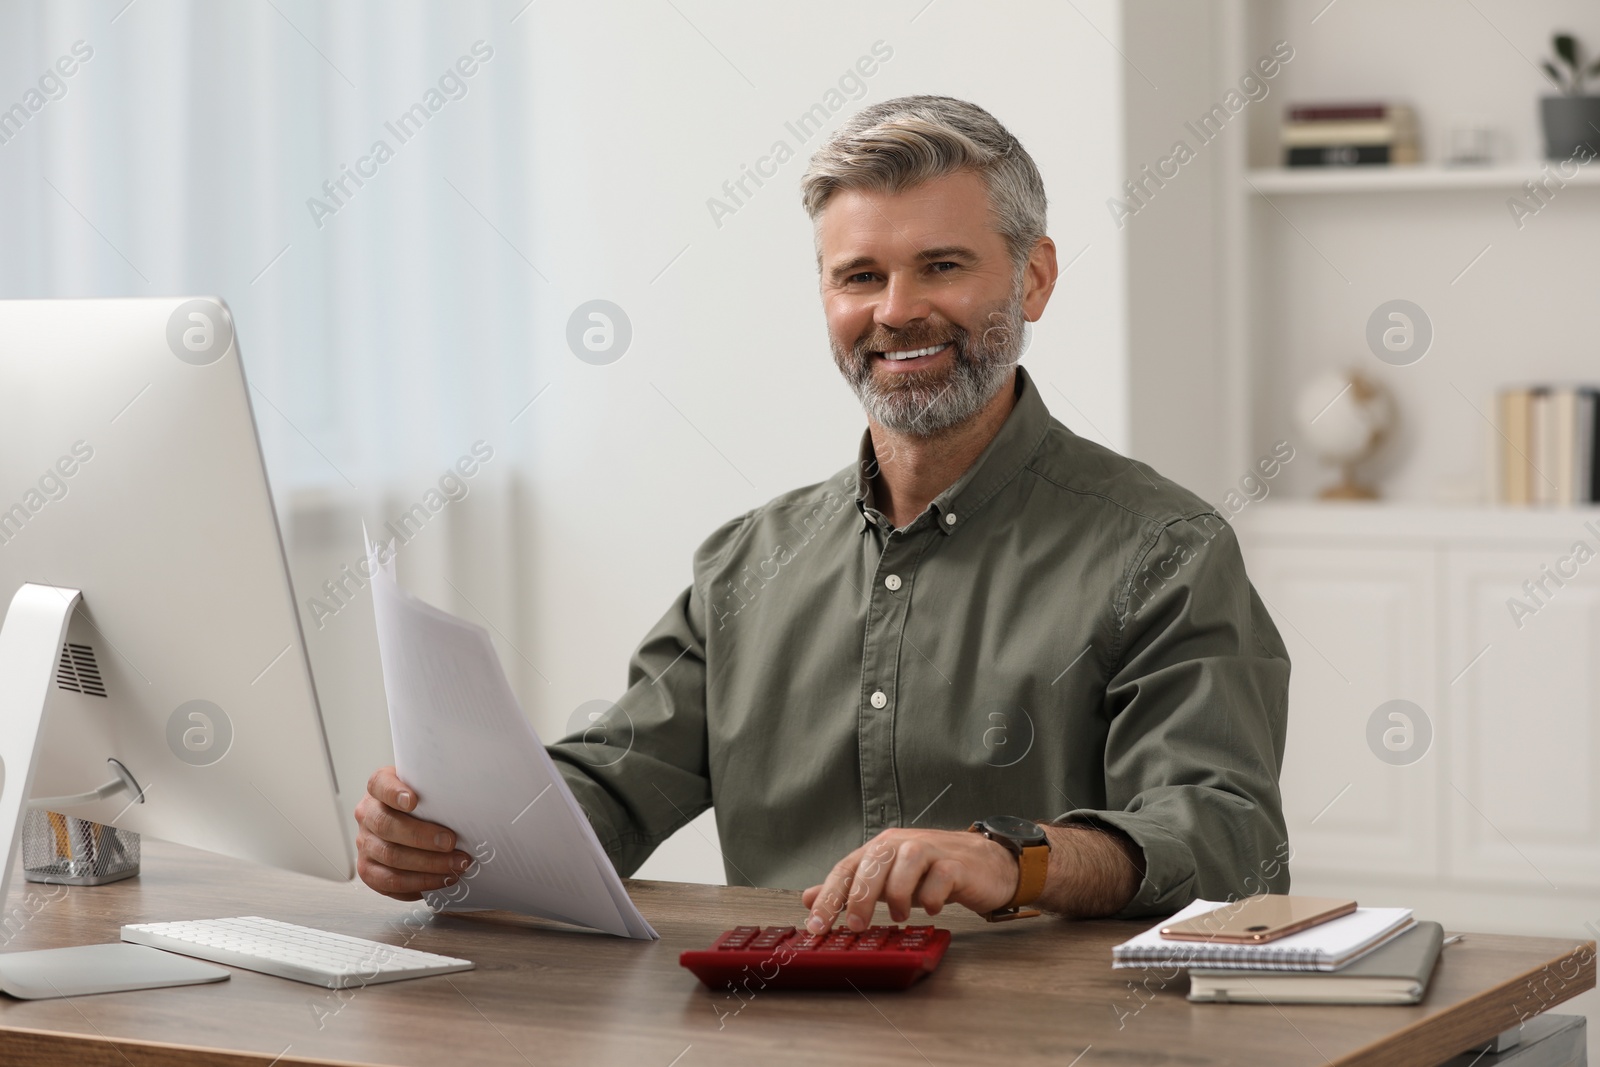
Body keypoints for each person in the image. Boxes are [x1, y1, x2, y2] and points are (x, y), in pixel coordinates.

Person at [354, 95, 1291, 933]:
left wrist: (1014, 859)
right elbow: (610, 786)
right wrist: (450, 835)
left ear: (1033, 278)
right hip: (770, 1027)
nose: (898, 311)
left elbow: (1225, 833)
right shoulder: (745, 561)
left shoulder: (1164, 550)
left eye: (942, 265)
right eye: (859, 277)